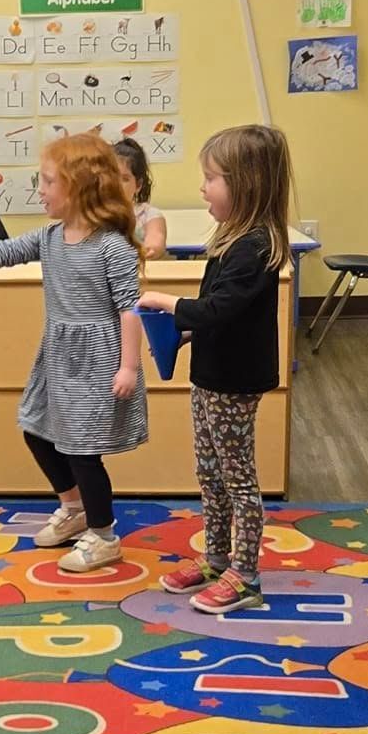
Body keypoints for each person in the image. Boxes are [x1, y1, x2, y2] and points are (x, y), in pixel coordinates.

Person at [0, 132, 145, 572]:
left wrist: (128, 366)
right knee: (36, 429)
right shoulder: (51, 237)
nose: (40, 190)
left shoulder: (112, 246)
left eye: (48, 181)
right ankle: (73, 510)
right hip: (58, 355)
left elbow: (129, 309)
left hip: (97, 359)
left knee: (81, 449)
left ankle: (104, 535)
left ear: (78, 187)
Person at [138, 124, 293, 616]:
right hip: (211, 373)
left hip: (233, 380)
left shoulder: (255, 247)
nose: (203, 188)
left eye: (212, 178)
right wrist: (185, 334)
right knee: (210, 473)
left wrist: (164, 301)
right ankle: (217, 557)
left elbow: (216, 309)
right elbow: (219, 312)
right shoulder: (233, 239)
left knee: (238, 479)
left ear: (245, 183)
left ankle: (245, 575)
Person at [112, 137, 167, 256]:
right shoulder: (93, 214)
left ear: (138, 185)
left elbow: (155, 241)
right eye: (111, 176)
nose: (116, 184)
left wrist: (150, 249)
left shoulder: (149, 215)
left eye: (125, 179)